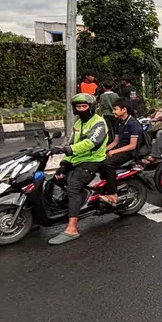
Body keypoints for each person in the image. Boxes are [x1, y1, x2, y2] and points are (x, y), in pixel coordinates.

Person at [47, 93, 109, 245]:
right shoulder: (77, 124)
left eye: (84, 106)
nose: (81, 109)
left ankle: (72, 229)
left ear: (91, 107)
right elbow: (72, 143)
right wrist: (63, 165)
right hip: (77, 159)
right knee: (55, 179)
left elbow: (89, 143)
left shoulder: (99, 123)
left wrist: (65, 150)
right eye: (78, 107)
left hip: (92, 161)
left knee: (73, 187)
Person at [97, 97, 142, 205]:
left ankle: (113, 195)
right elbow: (115, 142)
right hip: (120, 149)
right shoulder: (119, 122)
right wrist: (102, 150)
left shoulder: (133, 124)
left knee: (108, 163)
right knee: (98, 161)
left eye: (115, 109)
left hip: (130, 153)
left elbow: (132, 145)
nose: (113, 111)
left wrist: (113, 152)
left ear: (124, 110)